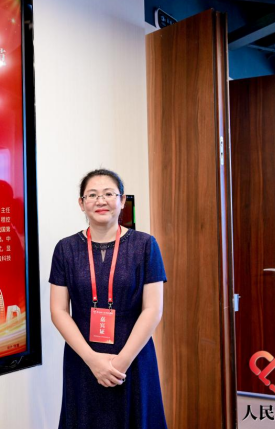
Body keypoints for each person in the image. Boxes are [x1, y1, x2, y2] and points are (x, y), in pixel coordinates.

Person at [49, 169, 168, 429]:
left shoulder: (145, 245)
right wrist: (93, 360)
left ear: (122, 200)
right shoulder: (65, 249)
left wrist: (121, 361)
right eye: (92, 195)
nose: (100, 201)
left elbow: (153, 309)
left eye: (108, 194)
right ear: (81, 203)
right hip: (83, 358)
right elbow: (58, 310)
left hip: (133, 357)